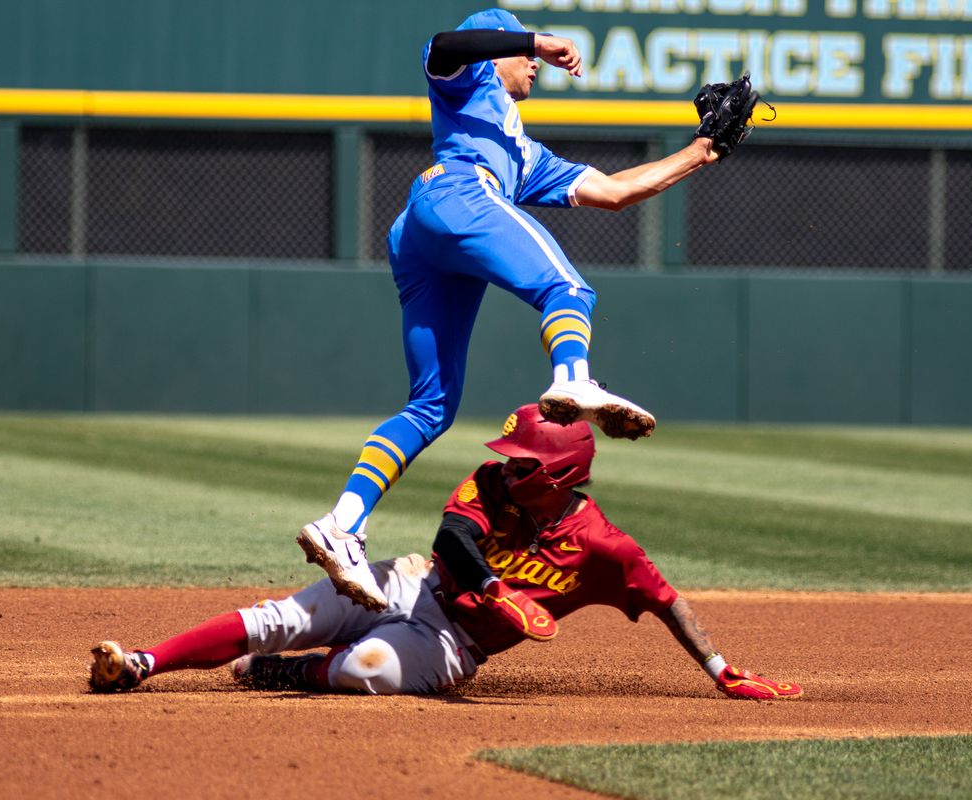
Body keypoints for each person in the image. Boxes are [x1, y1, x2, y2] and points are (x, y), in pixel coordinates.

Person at [297, 8, 722, 612]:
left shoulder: (524, 153)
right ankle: (573, 381)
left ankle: (342, 525)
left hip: (425, 230)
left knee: (431, 406)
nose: (534, 67)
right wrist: (535, 40)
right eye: (522, 56)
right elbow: (449, 43)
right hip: (456, 194)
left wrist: (700, 151)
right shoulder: (469, 80)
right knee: (568, 290)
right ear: (497, 52)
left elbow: (616, 192)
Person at [90, 405, 801, 700]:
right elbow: (450, 539)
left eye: (523, 461)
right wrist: (496, 589)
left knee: (366, 669)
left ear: (556, 474)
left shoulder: (604, 550)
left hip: (454, 647)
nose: (505, 465)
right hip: (415, 586)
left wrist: (719, 669)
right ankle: (143, 663)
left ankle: (287, 672)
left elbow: (667, 600)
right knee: (284, 610)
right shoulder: (493, 484)